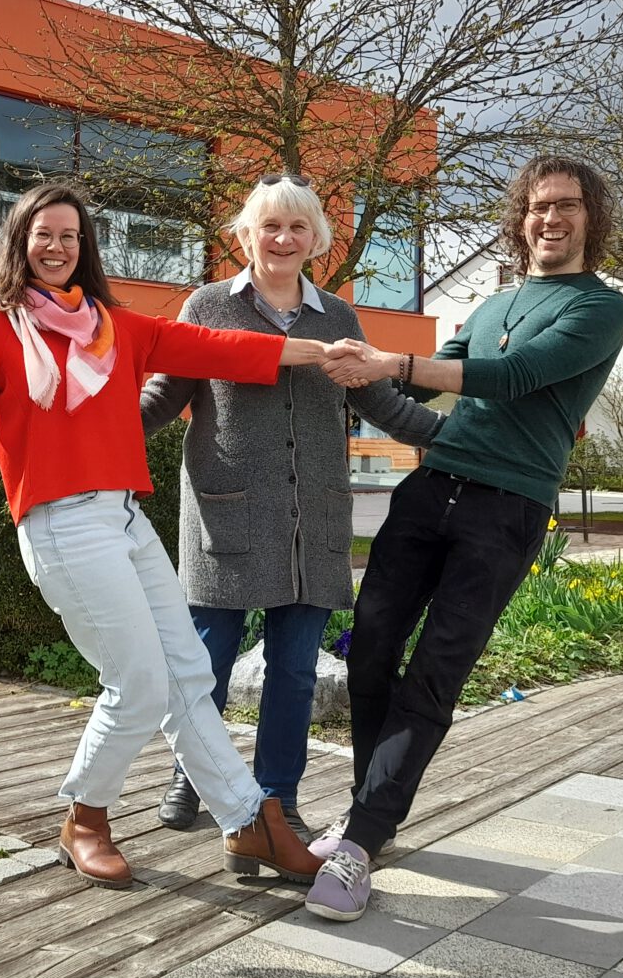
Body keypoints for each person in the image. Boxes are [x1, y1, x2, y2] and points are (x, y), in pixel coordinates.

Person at [0, 182, 327, 889]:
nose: (57, 247)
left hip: (125, 518)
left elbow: (217, 347)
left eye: (70, 236)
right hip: (61, 524)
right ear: (20, 241)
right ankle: (85, 819)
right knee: (138, 683)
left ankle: (249, 820)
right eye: (43, 234)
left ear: (85, 247)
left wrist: (317, 350)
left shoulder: (116, 328)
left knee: (188, 674)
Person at [303, 156, 623, 921]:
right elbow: (427, 376)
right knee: (370, 649)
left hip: (507, 507)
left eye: (568, 205)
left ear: (591, 218)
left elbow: (512, 376)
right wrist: (334, 354)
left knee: (435, 675)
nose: (551, 218)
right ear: (521, 219)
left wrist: (388, 360)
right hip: (431, 490)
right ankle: (367, 818)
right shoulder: (495, 304)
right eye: (539, 206)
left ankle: (360, 842)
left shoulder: (602, 307)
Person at [140, 175, 444, 841]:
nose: (282, 238)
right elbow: (163, 398)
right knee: (204, 665)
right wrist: (91, 437)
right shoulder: (207, 306)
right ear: (245, 235)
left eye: (297, 227)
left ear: (316, 240)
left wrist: (459, 439)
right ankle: (192, 775)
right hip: (226, 514)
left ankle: (278, 799)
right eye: (269, 226)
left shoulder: (337, 318)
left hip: (313, 522)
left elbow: (381, 403)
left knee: (296, 673)